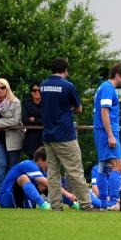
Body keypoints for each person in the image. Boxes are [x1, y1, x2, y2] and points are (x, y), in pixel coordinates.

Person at [40, 57, 92, 211]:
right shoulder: (68, 86)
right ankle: (86, 204)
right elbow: (79, 108)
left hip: (48, 135)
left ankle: (55, 206)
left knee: (53, 173)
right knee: (75, 170)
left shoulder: (43, 86)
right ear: (65, 70)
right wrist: (69, 108)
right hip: (65, 135)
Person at [93, 62, 121, 210]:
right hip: (107, 132)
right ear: (117, 75)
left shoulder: (103, 87)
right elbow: (104, 111)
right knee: (118, 166)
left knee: (103, 167)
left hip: (100, 131)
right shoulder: (108, 88)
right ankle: (114, 202)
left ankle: (103, 204)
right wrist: (110, 135)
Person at [0, 78, 24, 202]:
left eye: (3, 87)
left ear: (7, 88)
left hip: (13, 138)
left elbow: (15, 120)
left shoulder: (16, 102)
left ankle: (9, 192)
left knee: (12, 166)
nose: (0, 90)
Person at [21, 81, 44, 159]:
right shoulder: (26, 103)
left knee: (46, 163)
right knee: (32, 163)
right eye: (34, 90)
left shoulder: (47, 103)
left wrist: (34, 119)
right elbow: (24, 120)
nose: (37, 92)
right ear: (31, 92)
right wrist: (41, 120)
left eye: (39, 90)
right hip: (31, 139)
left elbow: (49, 121)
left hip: (45, 138)